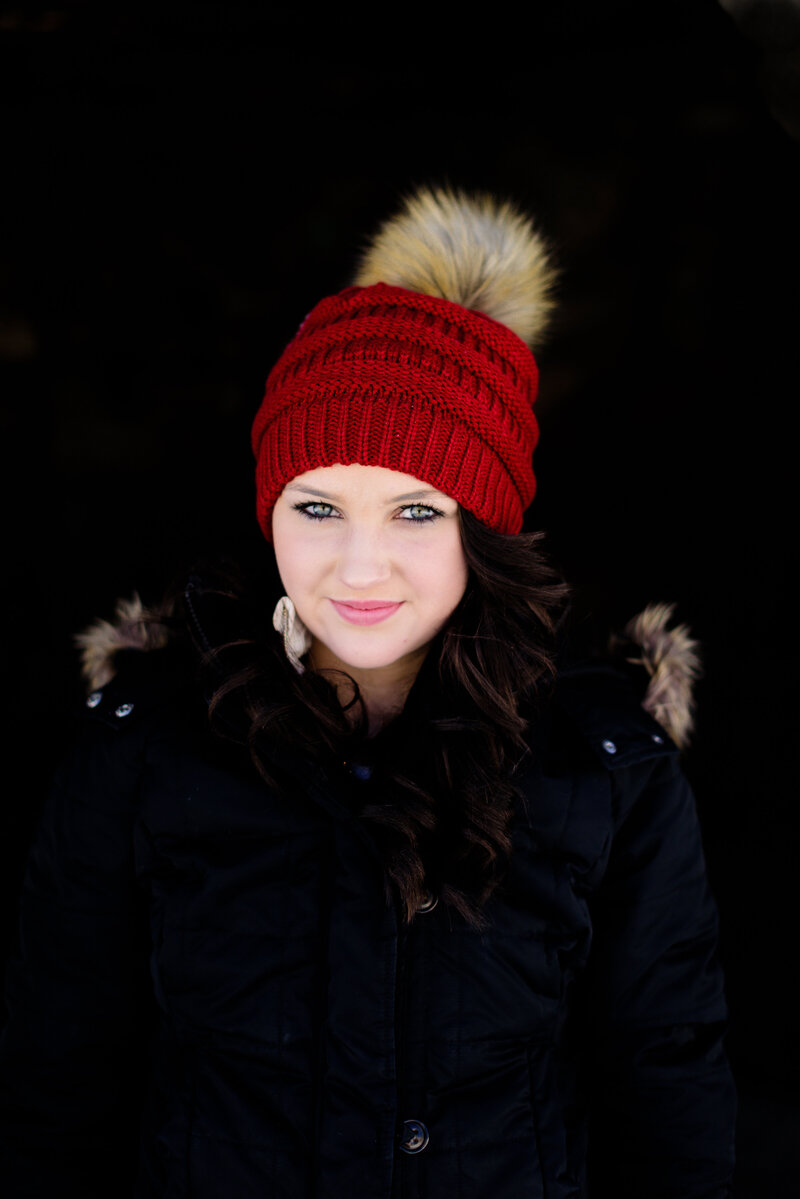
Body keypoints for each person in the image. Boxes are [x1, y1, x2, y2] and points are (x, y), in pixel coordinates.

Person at [0, 187, 736, 1198]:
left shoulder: (606, 768)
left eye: (412, 510)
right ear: (269, 513)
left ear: (479, 526)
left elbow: (667, 1097)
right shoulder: (143, 750)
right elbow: (56, 1089)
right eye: (317, 505)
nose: (357, 565)